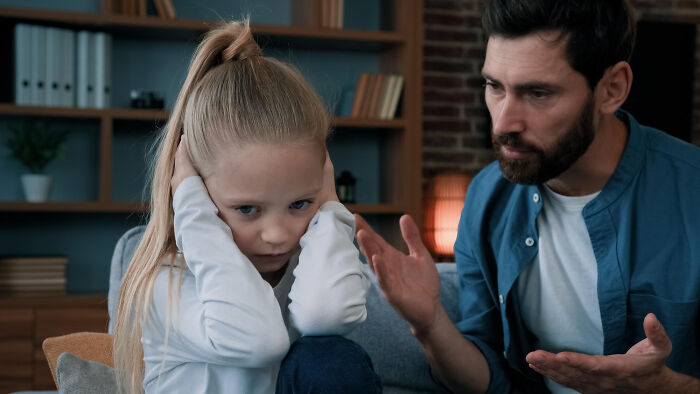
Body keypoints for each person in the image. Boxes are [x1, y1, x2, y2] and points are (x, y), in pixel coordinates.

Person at [356, 0, 700, 393]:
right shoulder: (487, 198)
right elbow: (491, 379)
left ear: (612, 89)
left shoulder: (691, 194)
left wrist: (669, 387)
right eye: (494, 86)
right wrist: (429, 324)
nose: (503, 123)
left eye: (537, 93)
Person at [113, 20, 380, 394]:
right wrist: (189, 206)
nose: (278, 235)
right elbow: (259, 341)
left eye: (300, 203)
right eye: (248, 209)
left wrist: (332, 208)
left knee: (331, 357)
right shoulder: (166, 285)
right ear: (200, 196)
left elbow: (327, 314)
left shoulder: (309, 268)